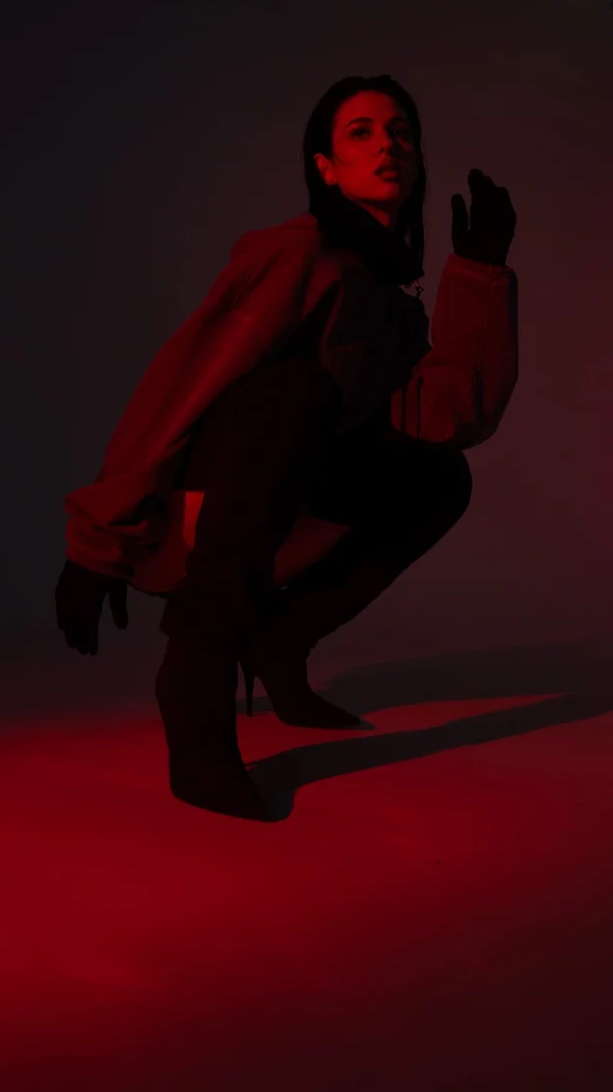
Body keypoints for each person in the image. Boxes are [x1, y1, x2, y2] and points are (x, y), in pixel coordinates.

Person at [54, 73, 519, 821]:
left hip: (278, 522)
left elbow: (447, 419)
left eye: (401, 132)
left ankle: (280, 641)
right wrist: (96, 546)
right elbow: (184, 383)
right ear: (325, 168)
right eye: (361, 132)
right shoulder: (296, 252)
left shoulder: (391, 298)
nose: (388, 145)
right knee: (296, 391)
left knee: (439, 475)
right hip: (191, 524)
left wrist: (479, 274)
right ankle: (196, 675)